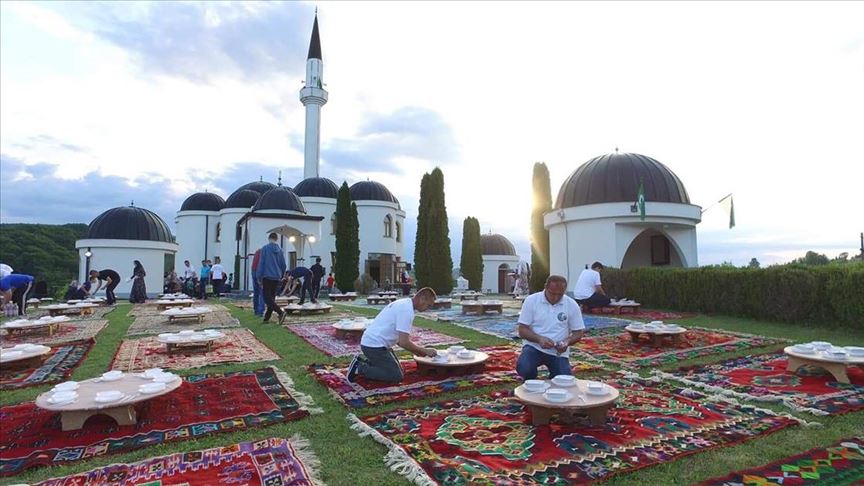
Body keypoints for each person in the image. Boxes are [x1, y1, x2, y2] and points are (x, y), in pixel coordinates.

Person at [346, 287, 438, 383]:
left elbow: (399, 340)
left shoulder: (405, 303)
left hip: (373, 343)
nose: (428, 309)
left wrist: (419, 351)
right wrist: (424, 350)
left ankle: (363, 362)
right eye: (428, 305)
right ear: (422, 299)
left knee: (396, 369)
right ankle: (359, 368)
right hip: (374, 346)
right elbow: (404, 342)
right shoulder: (406, 311)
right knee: (395, 375)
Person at [515, 275, 585, 380]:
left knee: (564, 379)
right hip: (534, 347)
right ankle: (530, 381)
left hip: (558, 352)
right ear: (545, 288)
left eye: (560, 294)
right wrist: (539, 339)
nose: (556, 297)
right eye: (552, 293)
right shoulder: (531, 300)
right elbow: (522, 330)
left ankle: (554, 378)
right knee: (524, 368)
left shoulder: (571, 304)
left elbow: (578, 332)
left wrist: (566, 342)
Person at [256, 232, 287, 324]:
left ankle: (280, 312)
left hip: (267, 276)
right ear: (276, 239)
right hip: (276, 277)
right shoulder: (280, 250)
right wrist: (281, 275)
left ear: (269, 238)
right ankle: (266, 318)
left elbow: (261, 263)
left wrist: (258, 276)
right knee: (271, 298)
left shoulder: (265, 249)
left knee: (267, 298)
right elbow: (283, 265)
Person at [250, 248, 264, 316]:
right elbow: (262, 264)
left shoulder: (257, 251)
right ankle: (260, 311)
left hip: (253, 270)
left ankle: (256, 310)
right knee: (262, 292)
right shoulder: (265, 252)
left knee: (256, 292)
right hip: (259, 271)